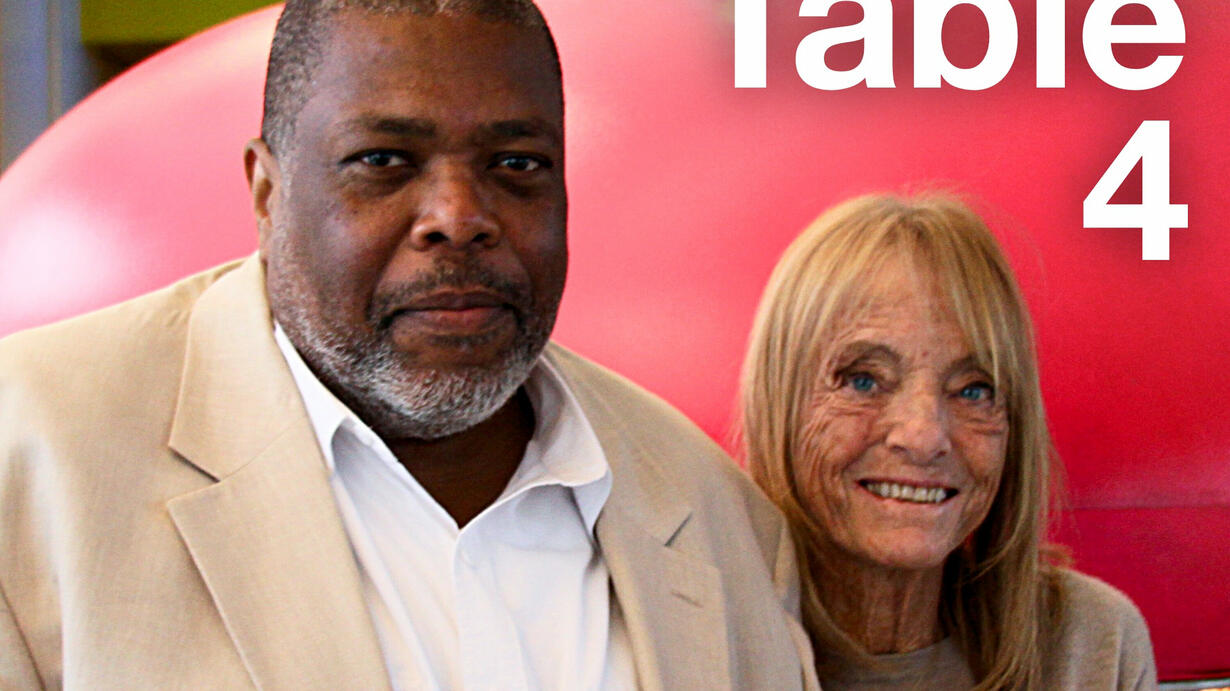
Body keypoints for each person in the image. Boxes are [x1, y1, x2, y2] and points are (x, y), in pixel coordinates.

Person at [0, 1, 816, 688]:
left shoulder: (715, 515)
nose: (459, 216)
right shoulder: (34, 455)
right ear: (267, 191)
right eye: (383, 160)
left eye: (517, 162)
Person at [739, 194, 1157, 689]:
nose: (924, 437)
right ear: (779, 403)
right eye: (863, 380)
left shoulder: (1090, 646)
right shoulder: (694, 641)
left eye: (973, 390)